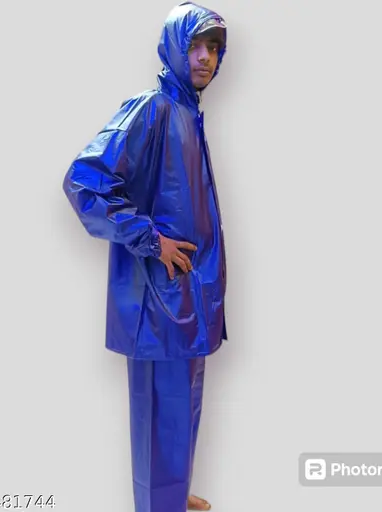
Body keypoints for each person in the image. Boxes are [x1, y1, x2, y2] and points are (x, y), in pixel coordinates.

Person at [62, 2, 228, 510]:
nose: (206, 58)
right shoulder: (151, 109)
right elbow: (84, 182)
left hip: (188, 295)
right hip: (157, 300)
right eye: (196, 45)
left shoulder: (188, 114)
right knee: (159, 410)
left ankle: (172, 493)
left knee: (184, 406)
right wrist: (151, 241)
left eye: (214, 48)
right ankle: (158, 503)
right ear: (175, 47)